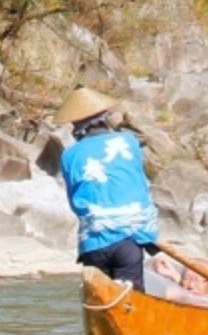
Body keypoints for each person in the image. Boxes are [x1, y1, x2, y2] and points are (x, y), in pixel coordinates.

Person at [56, 86, 160, 286]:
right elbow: (139, 185)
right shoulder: (129, 142)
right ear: (104, 118)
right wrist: (151, 243)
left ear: (77, 126)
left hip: (93, 244)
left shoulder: (69, 155)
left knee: (99, 300)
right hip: (130, 241)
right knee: (130, 298)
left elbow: (75, 202)